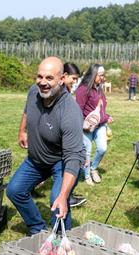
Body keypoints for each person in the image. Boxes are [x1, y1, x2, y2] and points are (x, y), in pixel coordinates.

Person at [6, 56, 84, 236]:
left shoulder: (70, 111)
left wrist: (64, 196)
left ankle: (64, 239)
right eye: (39, 77)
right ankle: (37, 229)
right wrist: (22, 131)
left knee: (57, 200)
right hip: (36, 160)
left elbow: (73, 158)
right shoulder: (34, 91)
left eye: (49, 78)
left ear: (62, 78)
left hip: (61, 162)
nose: (43, 83)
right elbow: (27, 111)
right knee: (14, 190)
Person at [76, 64, 113, 186]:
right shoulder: (83, 89)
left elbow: (100, 109)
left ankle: (93, 168)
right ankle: (86, 176)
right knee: (87, 152)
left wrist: (107, 117)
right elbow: (78, 109)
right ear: (93, 75)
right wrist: (82, 124)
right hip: (86, 128)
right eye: (101, 75)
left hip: (100, 126)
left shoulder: (99, 89)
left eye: (103, 75)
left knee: (102, 148)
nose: (103, 78)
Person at [63, 62, 87, 207]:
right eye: (73, 78)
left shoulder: (66, 92)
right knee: (72, 169)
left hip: (70, 137)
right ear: (64, 76)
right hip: (66, 140)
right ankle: (66, 198)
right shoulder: (62, 94)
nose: (75, 82)